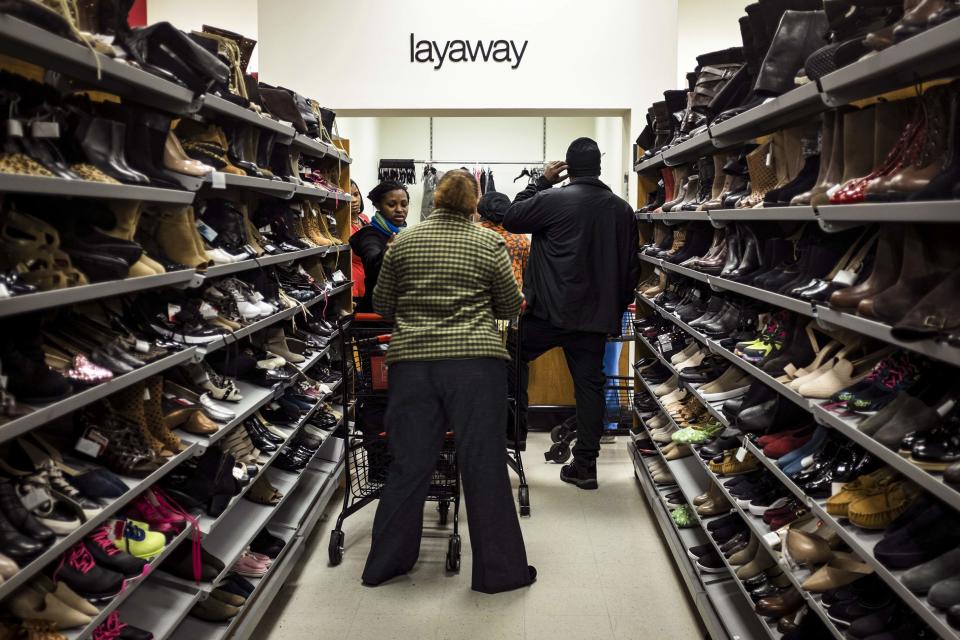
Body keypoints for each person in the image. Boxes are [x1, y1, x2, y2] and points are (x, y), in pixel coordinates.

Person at [361, 170, 535, 594]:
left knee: (409, 463)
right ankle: (499, 572)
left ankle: (386, 564)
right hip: (476, 365)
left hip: (413, 364)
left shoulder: (404, 242)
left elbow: (381, 302)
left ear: (435, 201)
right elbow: (511, 304)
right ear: (474, 204)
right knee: (483, 465)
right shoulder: (488, 241)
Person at [503, 137, 639, 490]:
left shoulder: (552, 199)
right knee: (590, 387)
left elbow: (512, 216)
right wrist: (616, 309)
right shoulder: (621, 209)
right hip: (593, 319)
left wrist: (542, 181)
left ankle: (513, 435)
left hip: (548, 313)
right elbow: (631, 268)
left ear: (567, 166)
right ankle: (585, 465)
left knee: (509, 357)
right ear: (598, 166)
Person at [349, 181, 408, 312]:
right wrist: (386, 253)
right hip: (377, 314)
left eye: (404, 204)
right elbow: (371, 264)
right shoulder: (369, 234)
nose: (399, 209)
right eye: (391, 205)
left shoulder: (403, 232)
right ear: (378, 205)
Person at [477, 191, 530, 289]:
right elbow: (529, 271)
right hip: (512, 298)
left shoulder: (471, 233)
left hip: (479, 298)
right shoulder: (520, 238)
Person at [349, 179, 370, 302]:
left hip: (368, 278)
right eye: (350, 196)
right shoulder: (342, 225)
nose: (354, 200)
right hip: (354, 280)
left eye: (356, 194)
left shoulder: (364, 218)